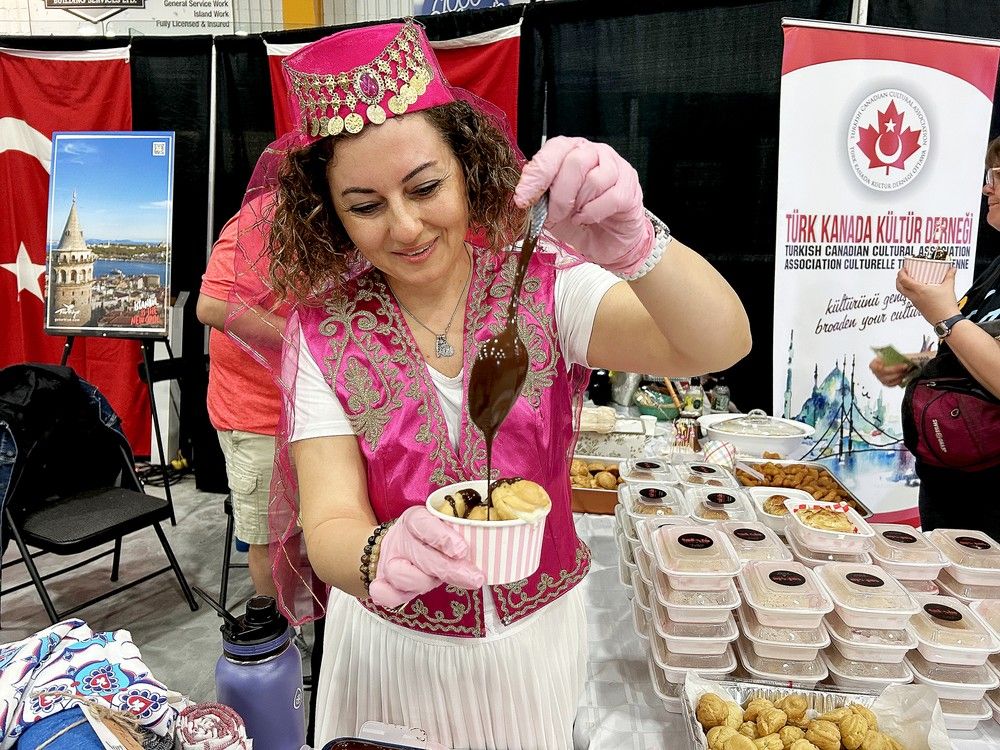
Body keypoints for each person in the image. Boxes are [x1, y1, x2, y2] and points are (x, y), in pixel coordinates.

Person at [229, 20, 751, 749]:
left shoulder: (546, 288)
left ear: (466, 167)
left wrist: (639, 247)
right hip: (392, 652)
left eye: (425, 187)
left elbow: (718, 343)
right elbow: (332, 521)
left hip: (532, 646)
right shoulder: (323, 334)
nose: (405, 227)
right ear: (331, 214)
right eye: (366, 205)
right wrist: (382, 553)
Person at [870, 135, 1000, 536]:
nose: (987, 188)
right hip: (950, 483)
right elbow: (983, 355)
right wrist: (918, 366)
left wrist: (944, 315)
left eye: (997, 175)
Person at [197, 212, 282, 598]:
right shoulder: (260, 219)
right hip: (259, 417)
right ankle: (280, 629)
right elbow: (213, 306)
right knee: (269, 540)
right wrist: (307, 338)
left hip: (318, 409)